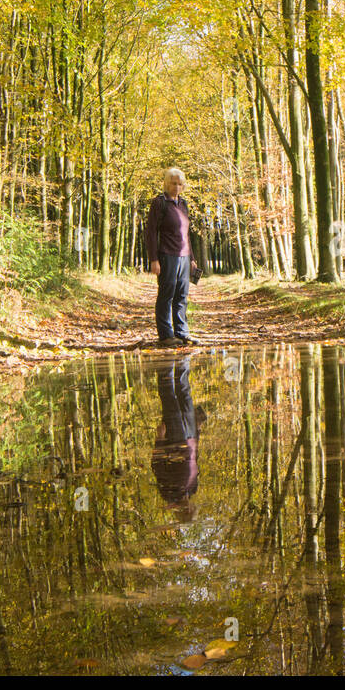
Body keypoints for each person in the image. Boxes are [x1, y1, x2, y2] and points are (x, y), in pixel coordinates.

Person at [146, 167, 202, 346]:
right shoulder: (159, 203)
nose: (177, 187)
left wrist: (192, 259)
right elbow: (151, 233)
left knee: (181, 296)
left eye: (180, 184)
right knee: (166, 295)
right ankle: (166, 335)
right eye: (173, 183)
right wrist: (154, 259)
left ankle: (182, 332)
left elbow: (186, 235)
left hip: (184, 257)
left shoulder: (183, 204)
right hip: (167, 256)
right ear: (166, 183)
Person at [151, 356, 206, 521]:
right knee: (184, 394)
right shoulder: (192, 489)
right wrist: (198, 431)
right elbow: (194, 460)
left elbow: (158, 466)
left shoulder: (169, 494)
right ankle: (182, 361)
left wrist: (160, 439)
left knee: (169, 398)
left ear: (181, 512)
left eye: (187, 511)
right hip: (190, 436)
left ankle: (164, 364)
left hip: (173, 440)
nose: (189, 507)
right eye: (191, 510)